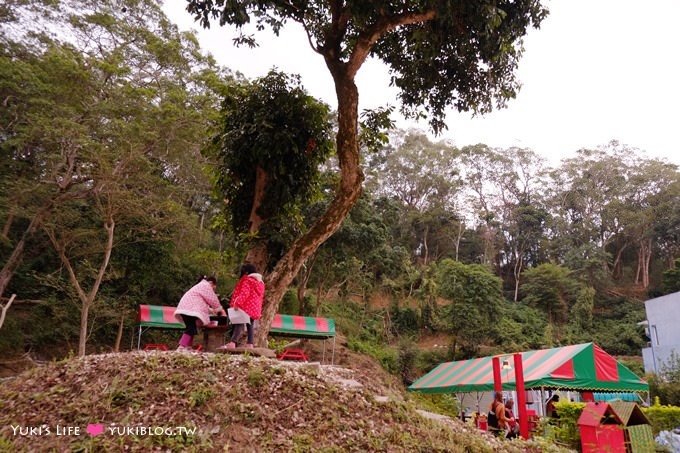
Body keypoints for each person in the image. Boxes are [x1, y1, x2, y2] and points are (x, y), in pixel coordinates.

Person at [174, 275, 225, 351]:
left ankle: (188, 346)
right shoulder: (206, 286)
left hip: (186, 308)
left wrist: (212, 310)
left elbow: (201, 304)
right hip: (190, 310)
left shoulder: (199, 286)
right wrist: (219, 310)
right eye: (214, 288)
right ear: (211, 283)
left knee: (192, 328)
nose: (213, 291)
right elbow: (212, 299)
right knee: (190, 328)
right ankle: (181, 346)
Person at [220, 263, 265, 349]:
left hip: (246, 306)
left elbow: (245, 293)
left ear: (246, 272)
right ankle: (250, 344)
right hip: (255, 308)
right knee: (250, 324)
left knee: (239, 322)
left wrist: (237, 303)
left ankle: (233, 342)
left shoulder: (248, 280)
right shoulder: (261, 283)